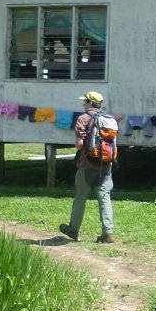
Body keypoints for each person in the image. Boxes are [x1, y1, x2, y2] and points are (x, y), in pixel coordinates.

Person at [60, 91, 114, 243]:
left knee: (80, 197)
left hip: (87, 164)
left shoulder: (83, 118)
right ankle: (108, 233)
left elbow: (79, 145)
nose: (83, 104)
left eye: (85, 102)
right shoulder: (108, 119)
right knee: (104, 197)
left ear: (90, 103)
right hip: (106, 164)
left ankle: (73, 229)